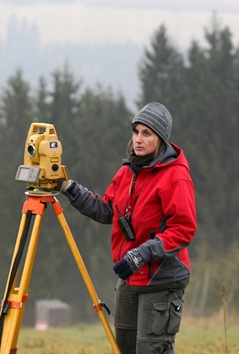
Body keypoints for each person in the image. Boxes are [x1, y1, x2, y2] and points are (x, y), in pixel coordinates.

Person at [57, 101, 196, 353]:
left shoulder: (176, 176)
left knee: (150, 349)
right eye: (136, 132)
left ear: (161, 139)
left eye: (147, 133)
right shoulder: (127, 172)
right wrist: (69, 188)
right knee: (123, 347)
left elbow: (183, 229)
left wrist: (143, 253)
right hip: (130, 277)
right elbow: (107, 210)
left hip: (161, 279)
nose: (138, 139)